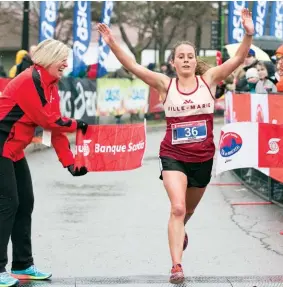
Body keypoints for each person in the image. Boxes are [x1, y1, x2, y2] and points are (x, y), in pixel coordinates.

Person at [97, 7, 254, 284]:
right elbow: (133, 66)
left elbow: (240, 57)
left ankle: (180, 230)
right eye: (180, 57)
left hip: (203, 157)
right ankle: (176, 266)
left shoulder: (209, 80)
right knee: (178, 208)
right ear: (172, 62)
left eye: (189, 56)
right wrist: (112, 44)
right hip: (173, 155)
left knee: (188, 212)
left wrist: (248, 34)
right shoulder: (164, 84)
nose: (185, 60)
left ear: (196, 61)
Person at [0, 39, 88, 287]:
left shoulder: (51, 84)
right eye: (62, 59)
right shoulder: (29, 80)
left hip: (13, 150)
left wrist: (70, 163)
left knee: (25, 202)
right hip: (1, 146)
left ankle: (22, 265)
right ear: (49, 58)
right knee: (8, 204)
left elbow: (55, 128)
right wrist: (77, 124)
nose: (66, 64)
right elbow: (50, 121)